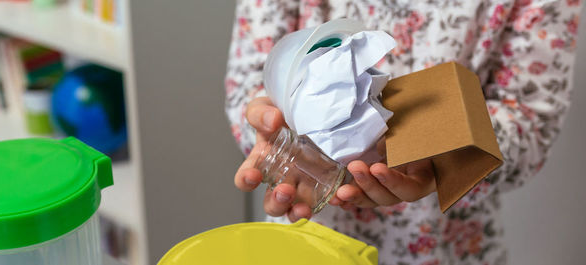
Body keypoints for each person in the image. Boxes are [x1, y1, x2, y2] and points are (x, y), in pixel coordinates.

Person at [225, 0, 581, 264]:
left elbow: (531, 120)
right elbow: (248, 85)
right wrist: (270, 127)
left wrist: (442, 155)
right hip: (310, 243)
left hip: (447, 248)